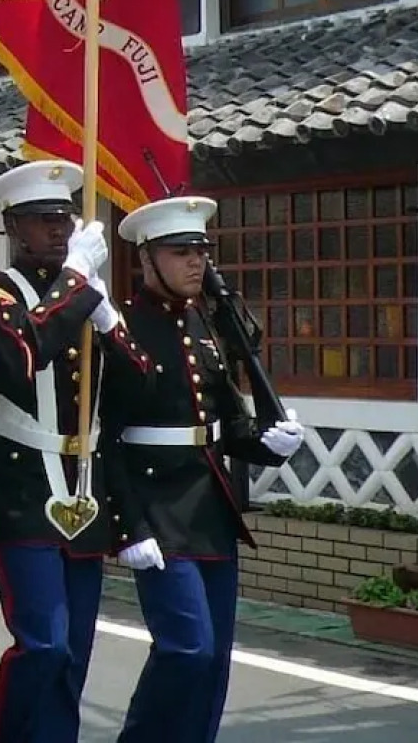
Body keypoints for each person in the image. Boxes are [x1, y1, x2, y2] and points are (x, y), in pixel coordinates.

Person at [104, 196, 306, 743]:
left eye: (200, 251)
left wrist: (270, 444)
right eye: (179, 252)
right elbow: (104, 441)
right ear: (147, 258)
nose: (195, 262)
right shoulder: (121, 329)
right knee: (185, 646)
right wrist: (128, 527)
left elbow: (228, 425)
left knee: (215, 655)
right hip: (155, 507)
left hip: (209, 506)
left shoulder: (206, 326)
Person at [0, 161, 147, 743]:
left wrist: (107, 315)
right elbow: (26, 355)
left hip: (82, 486)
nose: (56, 229)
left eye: (64, 218)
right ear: (13, 227)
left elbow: (141, 381)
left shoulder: (85, 289)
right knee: (42, 642)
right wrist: (77, 283)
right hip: (21, 483)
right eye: (41, 220)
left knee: (74, 649)